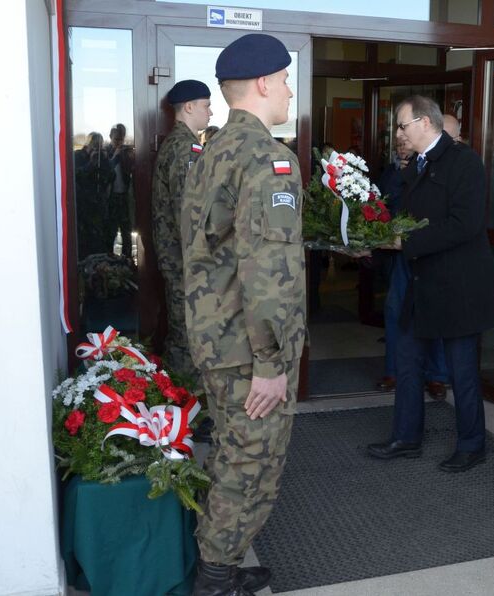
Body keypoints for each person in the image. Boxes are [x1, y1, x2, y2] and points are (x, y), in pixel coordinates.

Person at [181, 34, 305, 596]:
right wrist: (271, 362)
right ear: (262, 83)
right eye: (283, 80)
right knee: (250, 467)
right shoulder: (269, 158)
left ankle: (220, 566)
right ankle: (214, 580)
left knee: (232, 454)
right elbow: (269, 270)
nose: (288, 90)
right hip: (248, 350)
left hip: (216, 340)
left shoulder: (211, 152)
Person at [367, 95, 494, 473]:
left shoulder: (464, 162)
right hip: (419, 283)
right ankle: (406, 438)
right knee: (408, 364)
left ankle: (471, 445)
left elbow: (465, 225)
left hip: (458, 288)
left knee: (462, 372)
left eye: (402, 125)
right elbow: (408, 219)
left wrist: (404, 242)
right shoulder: (415, 166)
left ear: (425, 123)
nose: (398, 133)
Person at [376, 135, 448, 399]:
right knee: (395, 310)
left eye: (406, 141)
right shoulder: (390, 174)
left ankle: (437, 376)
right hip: (400, 256)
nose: (401, 146)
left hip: (429, 254)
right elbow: (377, 206)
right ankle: (393, 372)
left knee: (434, 313)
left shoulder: (432, 171)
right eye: (398, 144)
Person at [151, 80, 213, 381]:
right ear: (188, 107)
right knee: (188, 337)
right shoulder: (186, 149)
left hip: (180, 259)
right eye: (206, 105)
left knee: (184, 332)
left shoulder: (182, 145)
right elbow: (187, 215)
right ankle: (183, 409)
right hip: (186, 262)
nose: (211, 113)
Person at [107, 123, 134, 257]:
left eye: (121, 139)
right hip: (111, 197)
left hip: (123, 196)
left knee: (126, 231)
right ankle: (109, 259)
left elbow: (132, 170)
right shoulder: (106, 152)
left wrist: (130, 157)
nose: (119, 142)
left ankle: (127, 258)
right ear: (110, 137)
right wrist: (116, 155)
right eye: (116, 139)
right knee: (111, 231)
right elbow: (107, 169)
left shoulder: (125, 152)